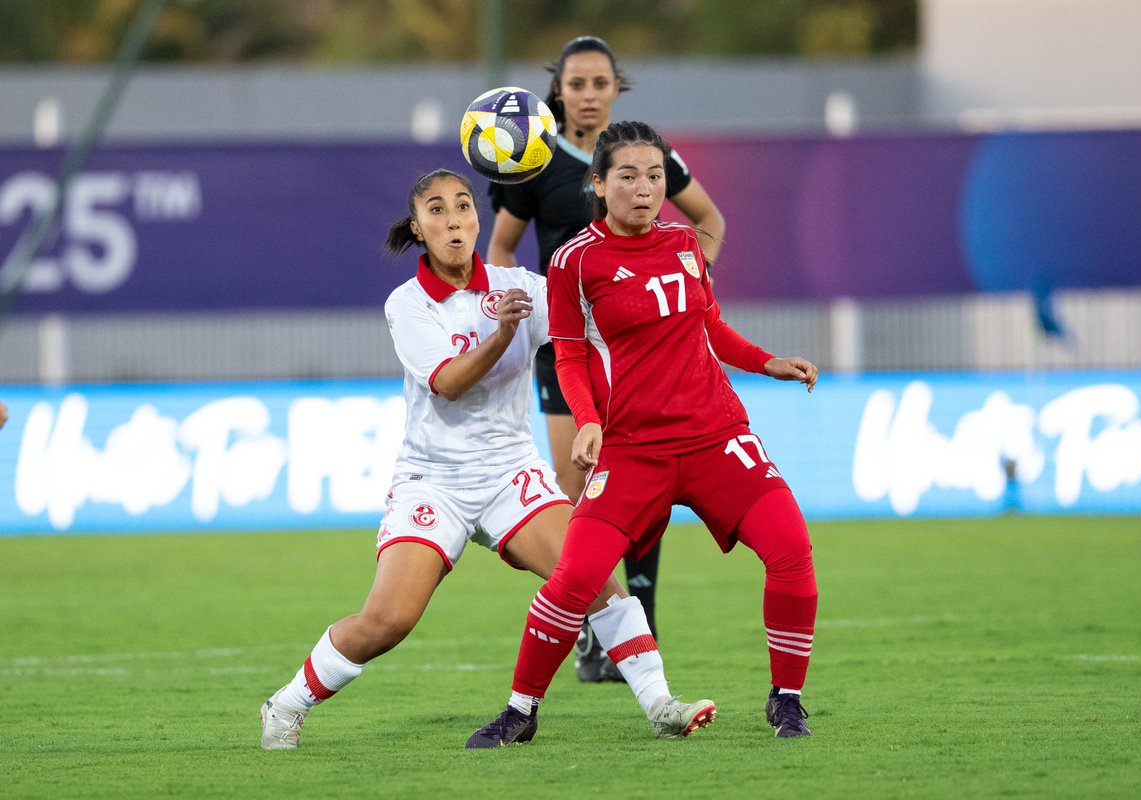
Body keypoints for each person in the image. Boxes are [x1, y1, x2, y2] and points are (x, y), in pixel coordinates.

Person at [259, 169, 713, 750]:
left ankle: (660, 705)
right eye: (437, 210)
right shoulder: (408, 304)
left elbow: (596, 326)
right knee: (388, 620)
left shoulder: (519, 285)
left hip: (510, 473)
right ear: (418, 228)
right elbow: (448, 382)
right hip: (433, 481)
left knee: (595, 580)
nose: (453, 220)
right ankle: (286, 704)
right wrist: (501, 334)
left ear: (478, 219)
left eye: (463, 206)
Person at [467, 121, 819, 748]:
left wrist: (768, 362)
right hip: (632, 450)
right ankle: (521, 711)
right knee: (574, 579)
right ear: (599, 185)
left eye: (654, 176)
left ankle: (787, 701)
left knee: (792, 550)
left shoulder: (685, 243)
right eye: (628, 176)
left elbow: (711, 326)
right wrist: (589, 420)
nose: (645, 188)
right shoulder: (574, 260)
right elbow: (569, 354)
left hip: (716, 437)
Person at [487, 34, 726, 683]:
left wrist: (685, 289)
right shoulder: (534, 160)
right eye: (576, 84)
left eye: (600, 83)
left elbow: (708, 220)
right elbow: (501, 249)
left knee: (647, 489)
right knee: (577, 494)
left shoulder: (643, 155)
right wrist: (522, 307)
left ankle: (640, 624)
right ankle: (596, 625)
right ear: (557, 90)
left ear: (617, 87)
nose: (589, 95)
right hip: (566, 349)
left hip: (641, 351)